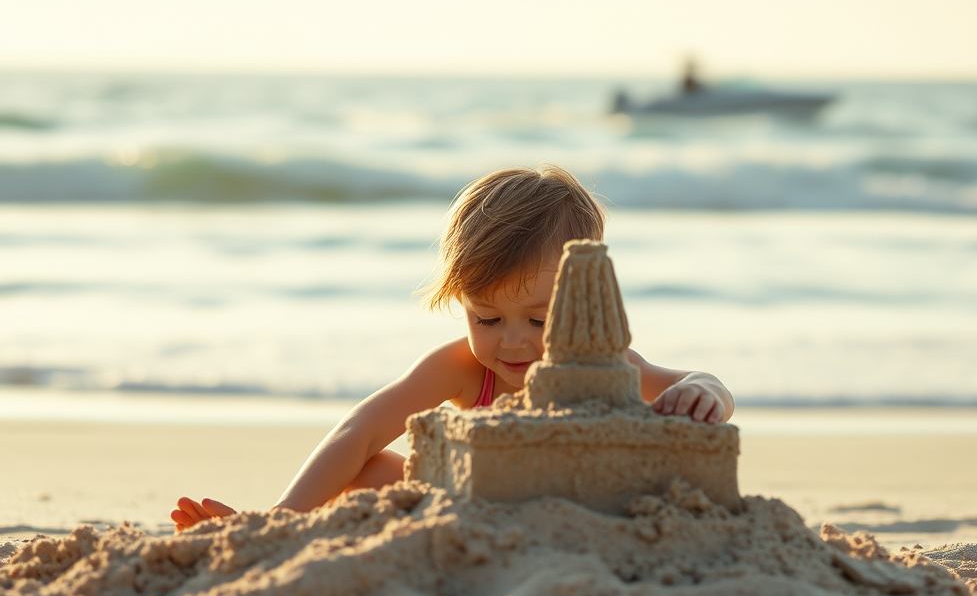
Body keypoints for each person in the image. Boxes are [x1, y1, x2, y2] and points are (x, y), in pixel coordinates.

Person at [171, 165, 734, 532]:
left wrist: (701, 395)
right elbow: (359, 429)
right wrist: (278, 519)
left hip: (573, 518)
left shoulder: (600, 368)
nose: (512, 340)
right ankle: (283, 536)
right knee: (368, 470)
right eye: (486, 317)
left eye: (538, 319)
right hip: (466, 518)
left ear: (584, 299)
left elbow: (704, 382)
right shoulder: (463, 369)